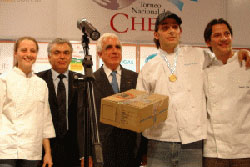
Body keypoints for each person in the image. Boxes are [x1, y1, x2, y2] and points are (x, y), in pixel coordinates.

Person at [137, 11, 206, 167]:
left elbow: (222, 60)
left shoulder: (197, 55)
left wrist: (240, 55)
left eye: (175, 27)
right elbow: (141, 108)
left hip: (192, 142)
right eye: (165, 27)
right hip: (159, 141)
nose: (171, 30)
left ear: (180, 32)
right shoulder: (148, 67)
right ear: (156, 34)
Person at [0, 37, 55, 167]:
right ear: (15, 53)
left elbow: (45, 120)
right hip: (6, 149)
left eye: (32, 51)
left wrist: (48, 152)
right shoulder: (4, 80)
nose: (28, 54)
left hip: (32, 150)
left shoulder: (41, 84)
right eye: (23, 50)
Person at [203, 18, 250, 167]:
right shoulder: (204, 69)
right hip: (213, 151)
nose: (223, 38)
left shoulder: (246, 63)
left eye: (227, 34)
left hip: (245, 150)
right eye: (217, 35)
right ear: (208, 42)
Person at [91, 33, 139, 167]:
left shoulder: (135, 78)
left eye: (118, 47)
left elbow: (142, 115)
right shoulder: (91, 80)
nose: (114, 51)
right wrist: (87, 153)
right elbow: (85, 119)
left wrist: (143, 149)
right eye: (109, 47)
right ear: (100, 53)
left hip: (130, 149)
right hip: (102, 149)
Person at [37, 38, 81, 167]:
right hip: (44, 148)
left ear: (71, 56)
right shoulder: (37, 80)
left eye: (66, 53)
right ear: (49, 57)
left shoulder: (81, 81)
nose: (62, 57)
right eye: (57, 53)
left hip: (74, 149)